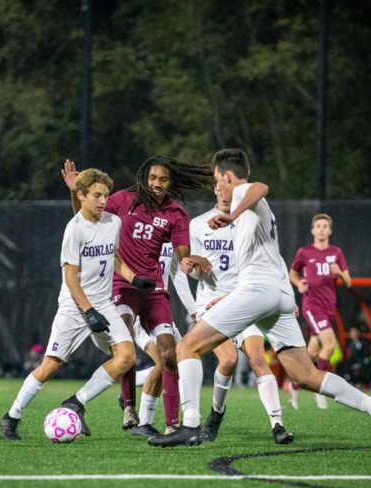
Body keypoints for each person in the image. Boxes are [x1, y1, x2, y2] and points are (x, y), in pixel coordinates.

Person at [148, 148, 371, 452]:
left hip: (259, 291)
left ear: (228, 176)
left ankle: (189, 426)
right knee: (304, 375)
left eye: (218, 179)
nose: (219, 185)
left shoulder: (243, 193)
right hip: (276, 294)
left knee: (187, 347)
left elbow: (260, 187)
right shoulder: (245, 210)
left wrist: (232, 215)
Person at [0, 168, 155, 440]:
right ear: (81, 195)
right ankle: (12, 415)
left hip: (103, 305)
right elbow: (70, 276)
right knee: (51, 365)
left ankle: (76, 402)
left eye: (105, 195)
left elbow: (114, 256)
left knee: (127, 357)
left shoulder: (112, 223)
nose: (103, 201)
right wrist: (88, 310)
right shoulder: (74, 230)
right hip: (75, 307)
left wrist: (133, 278)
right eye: (96, 195)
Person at [61, 157, 213, 431]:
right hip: (120, 286)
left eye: (163, 179)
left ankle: (172, 426)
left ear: (170, 183)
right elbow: (84, 221)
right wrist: (75, 192)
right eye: (153, 178)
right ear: (144, 177)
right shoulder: (122, 200)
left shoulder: (175, 214)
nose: (157, 184)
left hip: (152, 289)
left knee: (169, 352)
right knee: (126, 335)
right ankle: (129, 406)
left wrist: (190, 260)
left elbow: (182, 253)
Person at [188, 185, 293, 444]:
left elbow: (274, 259)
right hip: (212, 303)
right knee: (228, 360)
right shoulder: (198, 223)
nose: (227, 192)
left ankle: (277, 424)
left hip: (246, 300)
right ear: (215, 188)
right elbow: (192, 269)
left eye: (232, 187)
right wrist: (193, 265)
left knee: (258, 358)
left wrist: (287, 291)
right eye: (221, 186)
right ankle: (216, 413)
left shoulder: (249, 218)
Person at [130, 242, 196, 437]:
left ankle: (144, 418)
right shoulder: (138, 227)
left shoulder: (171, 233)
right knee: (165, 360)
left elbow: (177, 274)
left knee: (178, 362)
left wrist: (193, 310)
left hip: (159, 311)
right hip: (138, 309)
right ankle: (146, 421)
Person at [289, 213, 351, 409]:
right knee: (330, 345)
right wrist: (299, 283)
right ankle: (320, 389)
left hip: (329, 308)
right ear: (313, 230)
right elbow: (292, 273)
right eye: (319, 226)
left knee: (312, 353)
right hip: (312, 306)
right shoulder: (304, 252)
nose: (322, 229)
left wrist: (339, 272)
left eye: (325, 226)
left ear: (330, 230)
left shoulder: (336, 253)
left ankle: (293, 384)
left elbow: (349, 282)